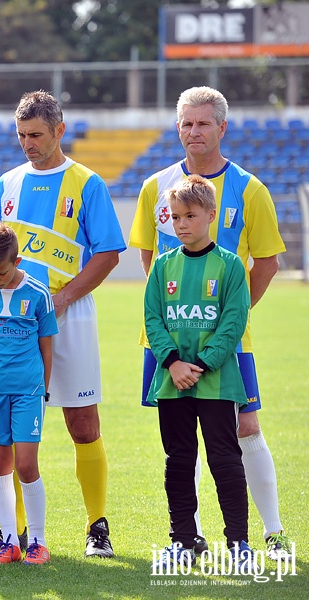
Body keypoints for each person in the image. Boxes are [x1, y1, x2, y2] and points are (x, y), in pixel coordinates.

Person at [129, 86, 292, 559]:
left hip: (225, 342)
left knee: (245, 429)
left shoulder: (250, 189)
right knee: (181, 441)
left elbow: (265, 263)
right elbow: (150, 259)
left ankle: (271, 530)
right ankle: (189, 537)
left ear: (222, 127)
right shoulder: (154, 187)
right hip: (167, 345)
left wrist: (227, 324)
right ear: (177, 127)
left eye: (203, 123)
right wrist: (176, 332)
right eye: (186, 123)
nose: (194, 131)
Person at [0, 90, 126, 558]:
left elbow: (107, 254)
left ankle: (96, 525)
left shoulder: (87, 183)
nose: (28, 144)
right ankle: (14, 531)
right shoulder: (6, 185)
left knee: (82, 423)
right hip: (12, 324)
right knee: (7, 426)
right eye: (21, 135)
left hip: (70, 314)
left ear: (59, 131)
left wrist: (60, 299)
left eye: (36, 135)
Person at [144, 174, 255, 569]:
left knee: (224, 458)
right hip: (173, 381)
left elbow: (233, 321)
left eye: (189, 215)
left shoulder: (228, 266)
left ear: (211, 214)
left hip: (216, 381)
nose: (181, 224)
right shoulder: (162, 266)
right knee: (178, 460)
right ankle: (184, 539)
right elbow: (153, 319)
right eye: (175, 217)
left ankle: (238, 542)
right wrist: (173, 362)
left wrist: (203, 363)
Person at [0, 223, 57, 565]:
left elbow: (47, 348)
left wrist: (41, 389)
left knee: (27, 464)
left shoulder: (38, 294)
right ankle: (9, 541)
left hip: (28, 391)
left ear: (17, 261)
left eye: (0, 273)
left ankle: (38, 541)